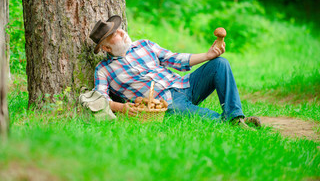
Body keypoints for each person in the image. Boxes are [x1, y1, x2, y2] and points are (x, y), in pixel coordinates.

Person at [89, 15, 261, 128]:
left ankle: (235, 116)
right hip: (167, 104)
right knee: (204, 118)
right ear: (105, 47)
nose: (122, 32)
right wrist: (121, 107)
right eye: (115, 34)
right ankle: (234, 124)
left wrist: (208, 55)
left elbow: (175, 59)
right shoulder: (104, 70)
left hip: (185, 84)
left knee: (220, 64)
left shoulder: (144, 45)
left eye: (119, 28)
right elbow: (100, 98)